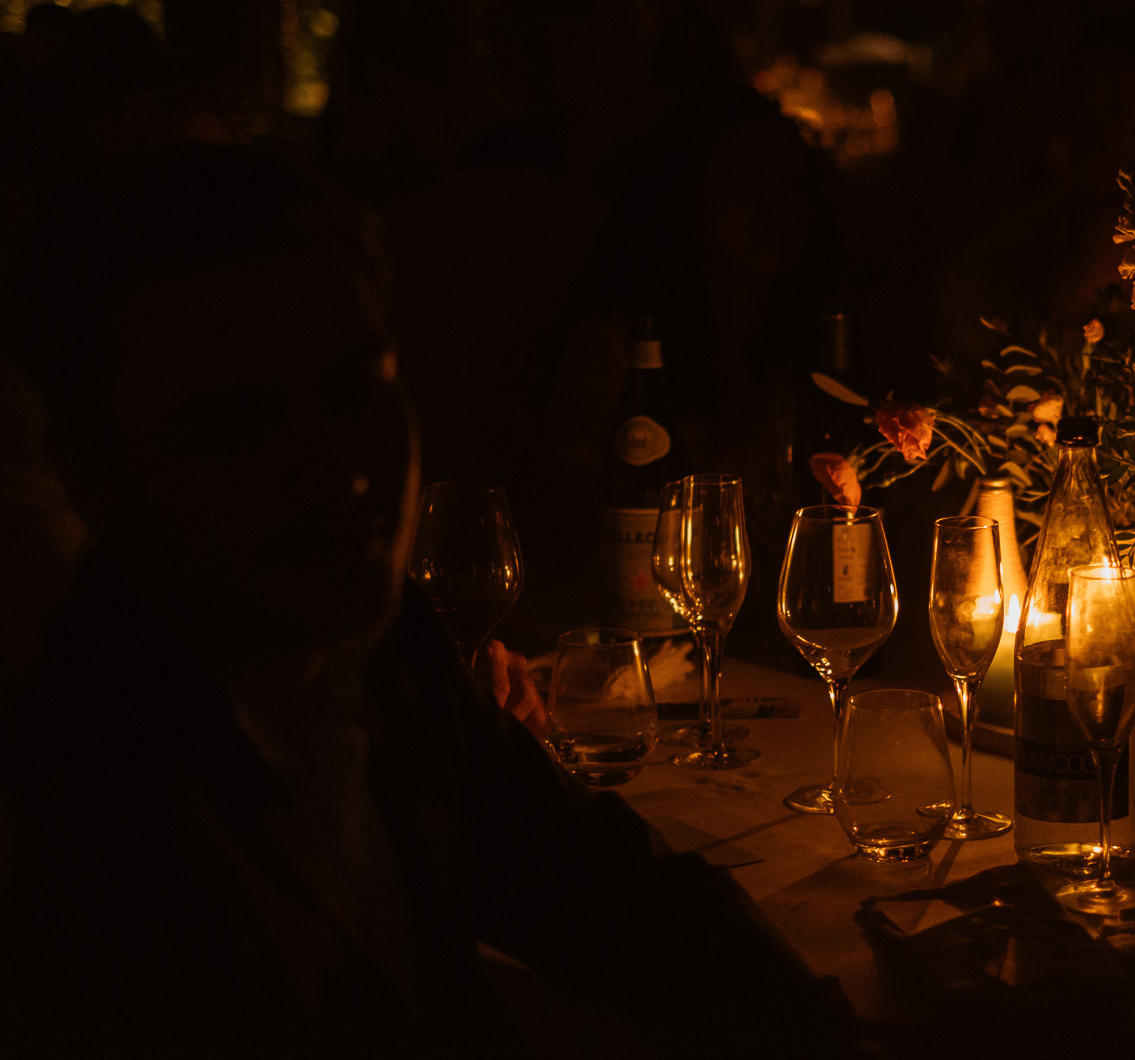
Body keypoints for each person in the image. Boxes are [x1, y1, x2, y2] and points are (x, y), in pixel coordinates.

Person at [0, 145, 859, 1057]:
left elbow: (609, 894)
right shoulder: (70, 830)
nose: (336, 471)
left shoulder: (383, 650)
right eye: (234, 427)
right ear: (92, 474)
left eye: (355, 390)